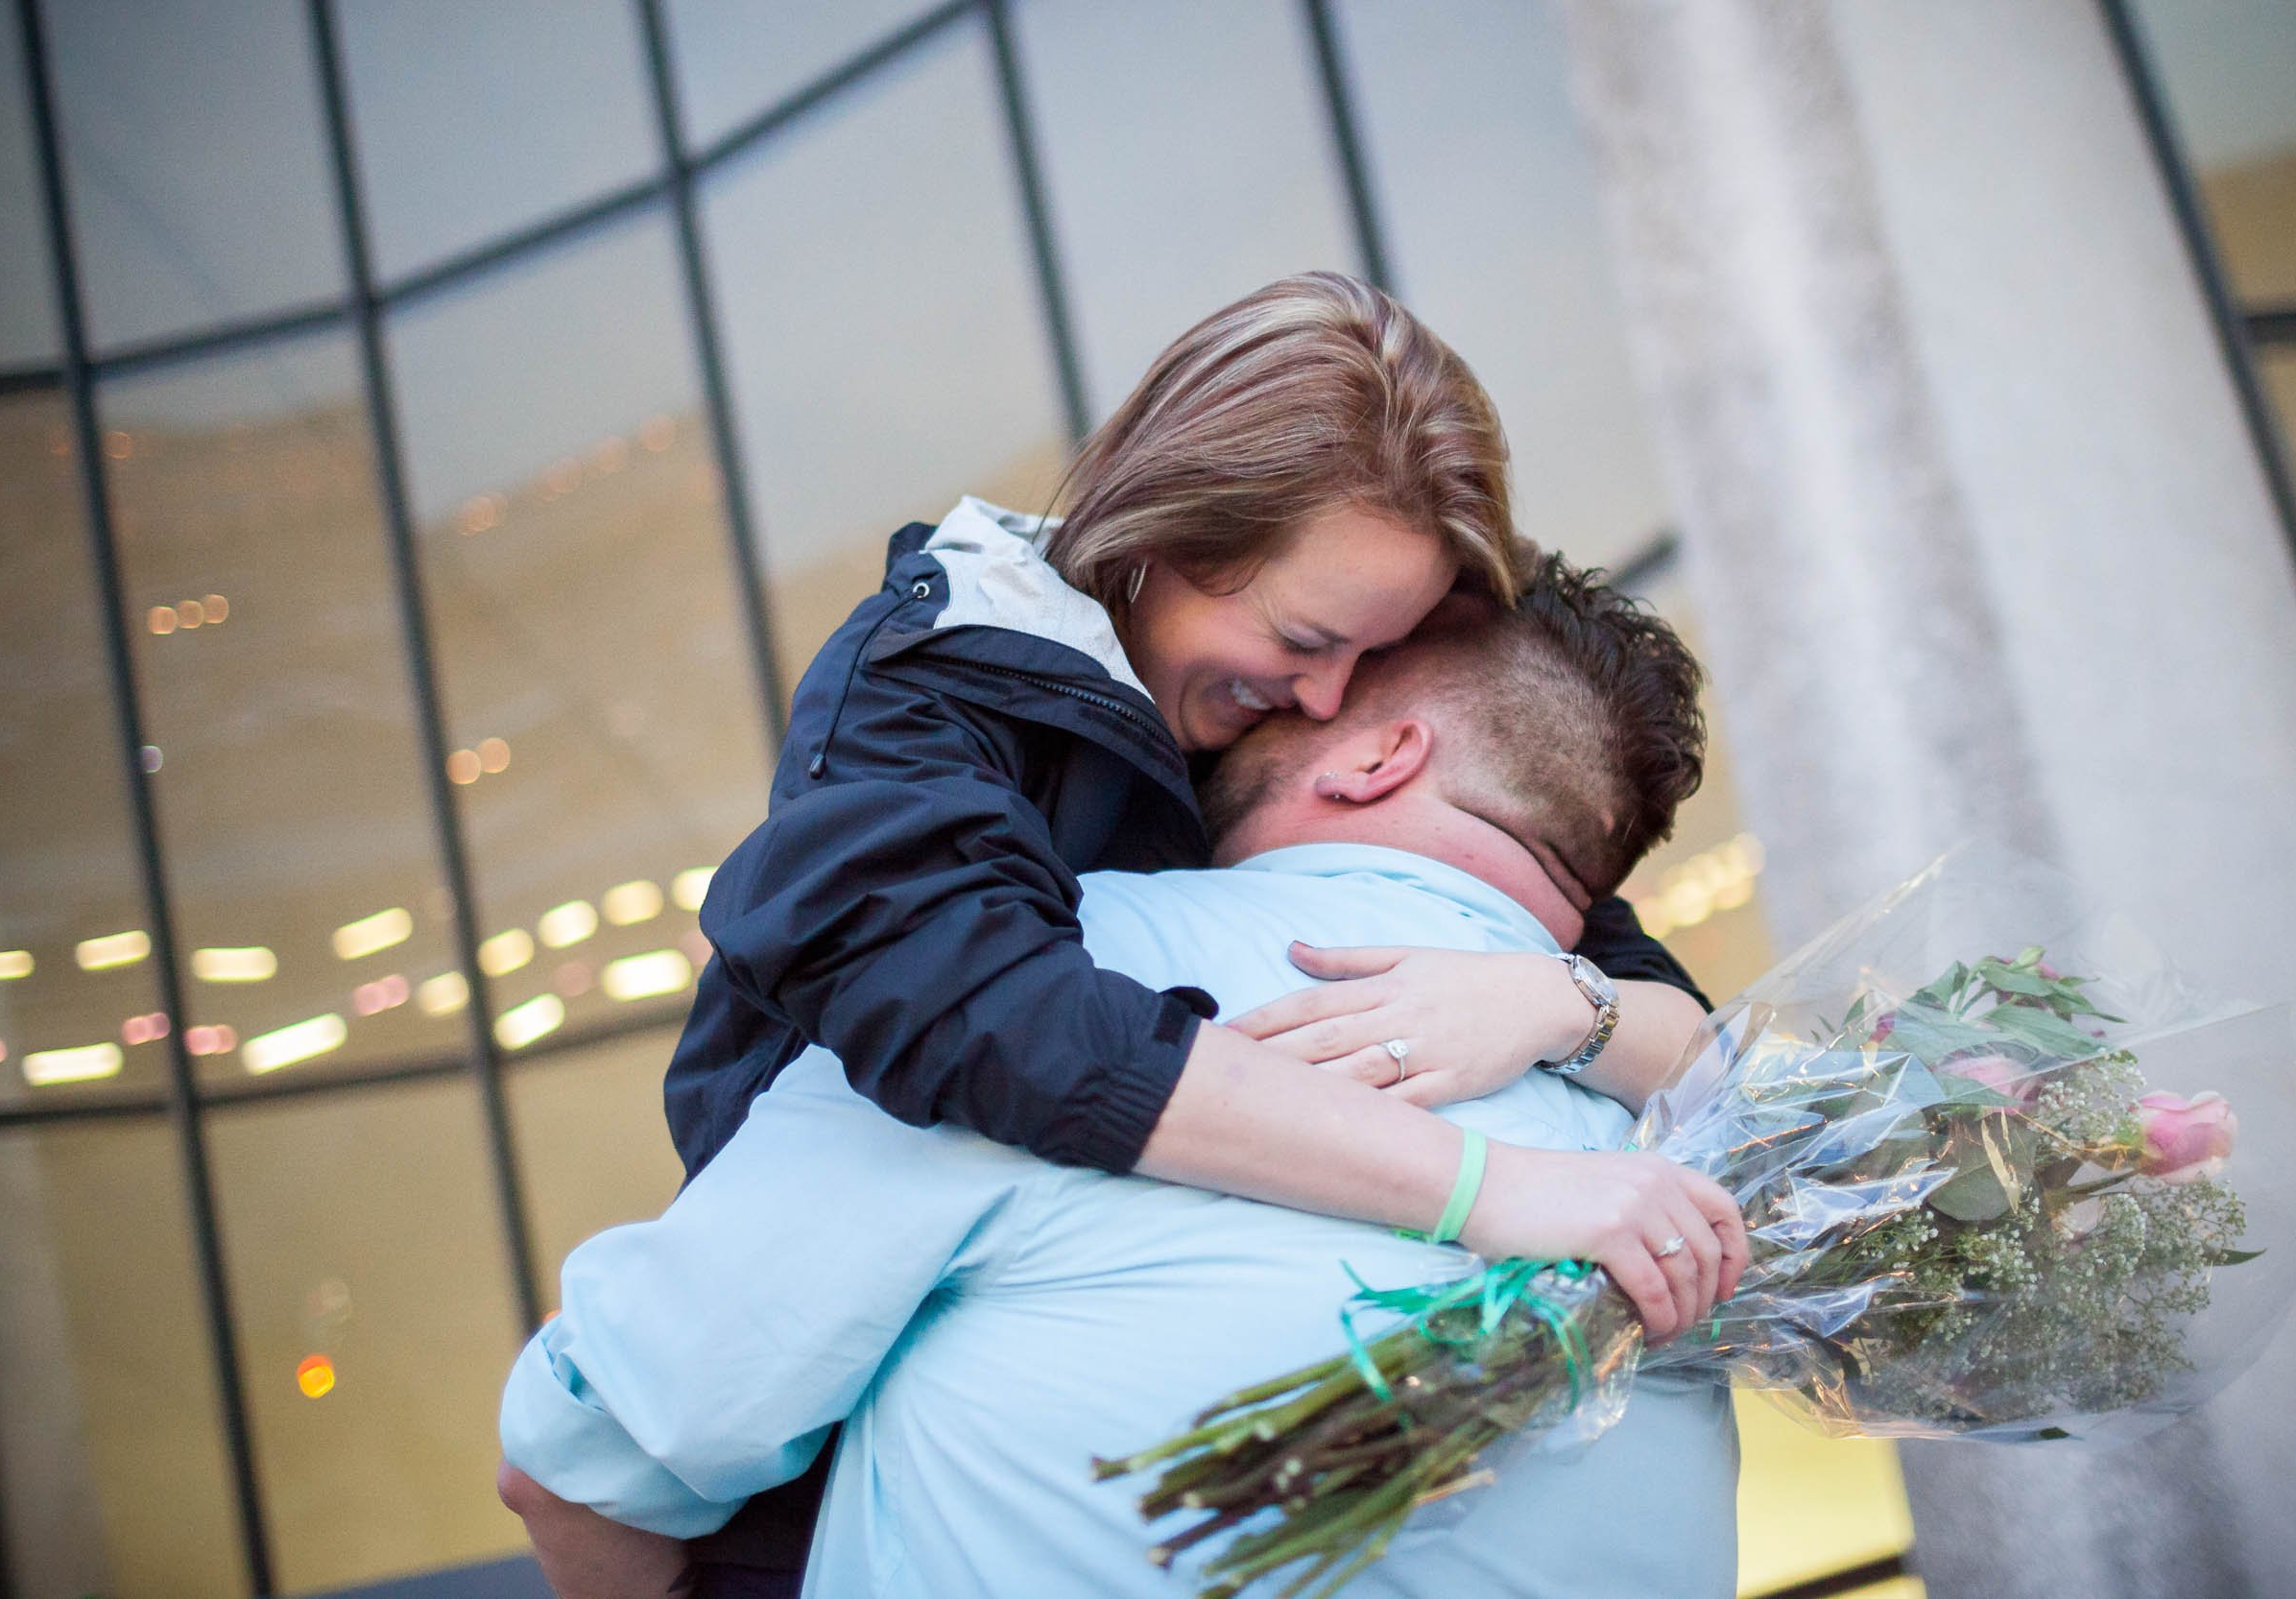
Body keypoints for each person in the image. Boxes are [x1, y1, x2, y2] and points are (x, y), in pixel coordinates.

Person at [657, 273, 1713, 1589]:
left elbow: (1698, 1038)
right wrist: (1495, 1187)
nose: (1324, 697)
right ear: (1164, 533)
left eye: (1369, 662)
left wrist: (1564, 1002)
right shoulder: (935, 689)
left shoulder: (1279, 716)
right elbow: (995, 1026)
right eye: (1309, 639)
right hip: (810, 1397)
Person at [501, 566, 1745, 1598]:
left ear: (1381, 755)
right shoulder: (1702, 1152)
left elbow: (589, 1456)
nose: (1234, 718)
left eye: (1294, 692)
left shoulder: (1046, 971)